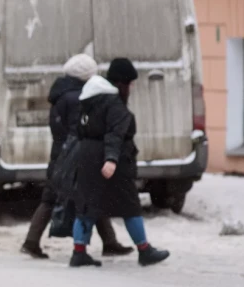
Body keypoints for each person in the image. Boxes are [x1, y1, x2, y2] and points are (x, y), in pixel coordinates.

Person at [21, 54, 132, 259]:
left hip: (60, 151)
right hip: (72, 154)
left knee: (76, 195)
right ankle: (33, 242)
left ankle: (108, 241)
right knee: (83, 194)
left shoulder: (61, 93)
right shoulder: (77, 97)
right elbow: (81, 127)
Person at [70, 58, 170, 268]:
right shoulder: (113, 104)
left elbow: (79, 129)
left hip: (86, 157)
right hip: (111, 162)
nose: (131, 88)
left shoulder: (88, 100)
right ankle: (144, 250)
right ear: (121, 83)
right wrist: (111, 159)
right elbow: (115, 134)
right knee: (130, 205)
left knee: (87, 205)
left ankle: (79, 252)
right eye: (130, 84)